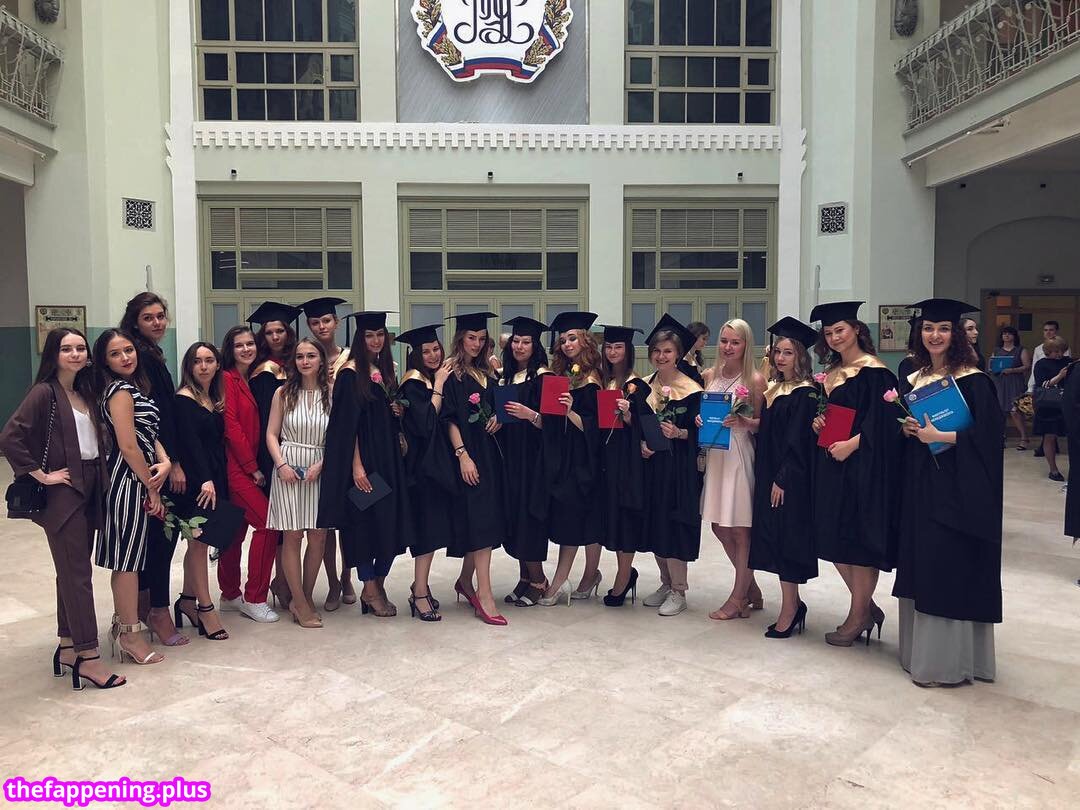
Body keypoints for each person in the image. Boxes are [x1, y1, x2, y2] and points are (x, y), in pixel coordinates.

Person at [0, 328, 123, 689]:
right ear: (53, 354)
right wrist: (40, 474)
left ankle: (68, 646)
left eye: (80, 348)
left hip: (91, 483)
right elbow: (10, 436)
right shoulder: (44, 392)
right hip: (65, 490)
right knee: (77, 575)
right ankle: (89, 657)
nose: (75, 354)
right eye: (66, 348)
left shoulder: (84, 391)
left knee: (70, 571)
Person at [894, 299, 1003, 687]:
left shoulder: (974, 380)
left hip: (958, 491)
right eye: (928, 328)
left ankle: (947, 663)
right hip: (922, 486)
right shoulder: (916, 379)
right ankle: (919, 655)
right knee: (924, 561)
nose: (935, 335)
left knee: (947, 564)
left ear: (956, 334)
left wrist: (941, 436)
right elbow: (909, 431)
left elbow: (990, 438)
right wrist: (907, 429)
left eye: (943, 328)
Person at [810, 301, 901, 647]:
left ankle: (857, 615)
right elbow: (834, 414)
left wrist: (853, 444)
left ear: (857, 330)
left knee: (859, 541)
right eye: (829, 333)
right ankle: (868, 608)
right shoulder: (832, 372)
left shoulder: (876, 373)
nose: (834, 337)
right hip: (832, 464)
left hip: (863, 466)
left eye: (840, 330)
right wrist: (819, 422)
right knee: (834, 538)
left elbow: (888, 422)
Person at [318, 311, 412, 618]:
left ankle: (376, 587)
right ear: (360, 338)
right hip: (365, 465)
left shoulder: (384, 371)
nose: (375, 340)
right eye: (369, 335)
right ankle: (369, 588)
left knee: (389, 525)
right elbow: (348, 426)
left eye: (380, 335)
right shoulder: (349, 374)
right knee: (364, 528)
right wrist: (356, 467)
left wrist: (396, 411)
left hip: (387, 461)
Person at [92, 328, 172, 666]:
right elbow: (127, 445)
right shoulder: (119, 391)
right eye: (115, 353)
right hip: (127, 481)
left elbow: (147, 434)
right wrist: (151, 486)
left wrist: (165, 461)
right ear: (105, 361)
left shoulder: (134, 387)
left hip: (140, 477)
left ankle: (122, 627)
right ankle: (129, 634)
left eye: (128, 350)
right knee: (127, 562)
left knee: (133, 559)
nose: (125, 357)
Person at [118, 293, 188, 648]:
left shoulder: (150, 354)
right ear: (135, 322)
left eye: (161, 316)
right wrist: (173, 462)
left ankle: (146, 606)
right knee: (161, 538)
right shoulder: (141, 357)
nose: (157, 322)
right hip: (152, 464)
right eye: (149, 317)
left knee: (154, 538)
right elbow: (157, 418)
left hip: (157, 457)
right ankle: (157, 609)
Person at [747, 318, 819, 638]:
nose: (780, 358)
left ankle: (790, 609)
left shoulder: (806, 393)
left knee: (788, 539)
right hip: (769, 472)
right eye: (778, 351)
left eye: (788, 352)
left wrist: (783, 478)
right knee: (775, 537)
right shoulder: (774, 389)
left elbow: (799, 442)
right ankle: (793, 603)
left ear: (800, 356)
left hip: (790, 478)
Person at [440, 312, 509, 625]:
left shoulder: (486, 371)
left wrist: (498, 418)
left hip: (490, 454)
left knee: (486, 518)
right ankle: (485, 593)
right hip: (468, 454)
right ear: (460, 339)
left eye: (481, 339)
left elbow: (497, 406)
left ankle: (465, 581)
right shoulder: (451, 372)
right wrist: (462, 455)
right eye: (471, 338)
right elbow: (449, 419)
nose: (477, 344)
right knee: (481, 520)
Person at [700, 318, 766, 620]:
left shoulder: (755, 379)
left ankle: (738, 598)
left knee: (740, 529)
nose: (728, 347)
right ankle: (751, 588)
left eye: (735, 342)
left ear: (745, 345)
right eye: (724, 341)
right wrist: (699, 420)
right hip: (715, 454)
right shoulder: (709, 374)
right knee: (718, 526)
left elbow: (764, 425)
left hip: (739, 454)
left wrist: (745, 422)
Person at [536, 312, 603, 607]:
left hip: (584, 459)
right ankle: (590, 576)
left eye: (572, 338)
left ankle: (560, 581)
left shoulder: (592, 379)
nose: (566, 344)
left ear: (585, 340)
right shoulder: (563, 374)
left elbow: (595, 427)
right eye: (563, 340)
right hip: (564, 456)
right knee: (579, 518)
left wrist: (570, 411)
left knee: (574, 520)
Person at [639, 319, 704, 616]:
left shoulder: (692, 389)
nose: (661, 356)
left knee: (676, 525)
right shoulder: (644, 386)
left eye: (667, 351)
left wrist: (678, 433)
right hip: (652, 466)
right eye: (657, 351)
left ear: (678, 354)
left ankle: (679, 589)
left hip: (680, 469)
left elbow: (700, 434)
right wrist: (642, 444)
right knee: (655, 522)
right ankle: (665, 583)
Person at [265, 337, 331, 628]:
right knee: (292, 535)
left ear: (321, 360)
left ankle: (304, 595)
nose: (305, 361)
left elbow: (339, 436)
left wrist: (322, 464)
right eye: (300, 356)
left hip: (320, 465)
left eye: (311, 356)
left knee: (318, 535)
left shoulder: (332, 393)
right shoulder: (283, 393)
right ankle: (300, 602)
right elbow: (271, 434)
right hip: (287, 465)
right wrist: (281, 465)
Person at [218, 325, 279, 622]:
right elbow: (231, 427)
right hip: (235, 467)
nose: (246, 349)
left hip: (242, 466)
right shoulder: (226, 378)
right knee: (267, 526)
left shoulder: (249, 377)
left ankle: (230, 594)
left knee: (235, 531)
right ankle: (255, 597)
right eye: (239, 345)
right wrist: (252, 467)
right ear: (230, 349)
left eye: (250, 344)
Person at [394, 324, 455, 622]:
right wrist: (440, 383)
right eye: (426, 351)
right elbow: (427, 422)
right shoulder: (414, 383)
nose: (433, 355)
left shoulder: (428, 378)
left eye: (436, 349)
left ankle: (421, 587)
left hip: (434, 465)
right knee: (426, 532)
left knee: (431, 529)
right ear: (416, 355)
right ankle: (419, 593)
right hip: (421, 469)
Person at [172, 342, 231, 641]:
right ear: (189, 366)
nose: (204, 366)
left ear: (218, 364)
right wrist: (205, 479)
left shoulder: (212, 397)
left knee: (199, 544)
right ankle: (206, 609)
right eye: (197, 361)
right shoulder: (184, 398)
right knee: (198, 544)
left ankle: (186, 600)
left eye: (209, 360)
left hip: (215, 475)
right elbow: (189, 444)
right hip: (198, 481)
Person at [300, 296, 356, 611]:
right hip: (316, 447)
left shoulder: (350, 357)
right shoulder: (305, 356)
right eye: (315, 322)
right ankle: (333, 581)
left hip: (347, 446)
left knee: (348, 519)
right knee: (325, 522)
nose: (321, 326)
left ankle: (347, 577)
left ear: (336, 322)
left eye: (326, 321)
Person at [247, 302, 300, 610]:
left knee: (293, 520)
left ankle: (284, 580)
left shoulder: (297, 362)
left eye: (280, 331)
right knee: (278, 520)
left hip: (300, 446)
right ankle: (280, 581)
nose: (275, 336)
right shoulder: (264, 371)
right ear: (262, 336)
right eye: (269, 332)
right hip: (273, 451)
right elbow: (266, 418)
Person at [498, 317, 553, 607]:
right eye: (516, 341)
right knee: (515, 517)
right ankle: (525, 578)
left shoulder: (545, 377)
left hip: (534, 460)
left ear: (535, 346)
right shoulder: (506, 377)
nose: (520, 346)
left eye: (526, 342)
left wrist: (529, 414)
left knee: (531, 519)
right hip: (511, 458)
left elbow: (554, 424)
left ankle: (539, 580)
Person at [596, 324, 650, 607]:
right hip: (605, 458)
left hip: (626, 460)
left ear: (628, 351)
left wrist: (629, 416)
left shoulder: (636, 385)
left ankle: (624, 574)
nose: (612, 351)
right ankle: (625, 572)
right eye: (608, 347)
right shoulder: (602, 380)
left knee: (626, 516)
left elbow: (644, 426)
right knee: (613, 517)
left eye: (618, 347)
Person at [1032, 336, 1070, 481]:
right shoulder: (1041, 364)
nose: (1059, 354)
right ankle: (1053, 470)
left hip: (1066, 403)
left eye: (1061, 351)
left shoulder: (1068, 362)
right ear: (1048, 351)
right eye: (1056, 351)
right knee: (1049, 436)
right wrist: (1060, 376)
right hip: (1048, 405)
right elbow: (1043, 384)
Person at [989, 326, 1030, 450]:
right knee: (1000, 411)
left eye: (1009, 334)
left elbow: (1027, 366)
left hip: (1015, 382)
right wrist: (993, 368)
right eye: (1004, 334)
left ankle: (1024, 438)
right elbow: (990, 366)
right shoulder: (996, 350)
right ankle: (1001, 437)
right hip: (1000, 382)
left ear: (1014, 336)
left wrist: (1012, 370)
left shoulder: (1021, 350)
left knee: (1015, 411)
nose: (1006, 336)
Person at [1028, 320, 1070, 392]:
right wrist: (1030, 387)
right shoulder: (1038, 349)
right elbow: (1034, 370)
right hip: (1045, 388)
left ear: (1056, 331)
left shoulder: (1063, 347)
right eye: (1045, 330)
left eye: (1051, 330)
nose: (1048, 332)